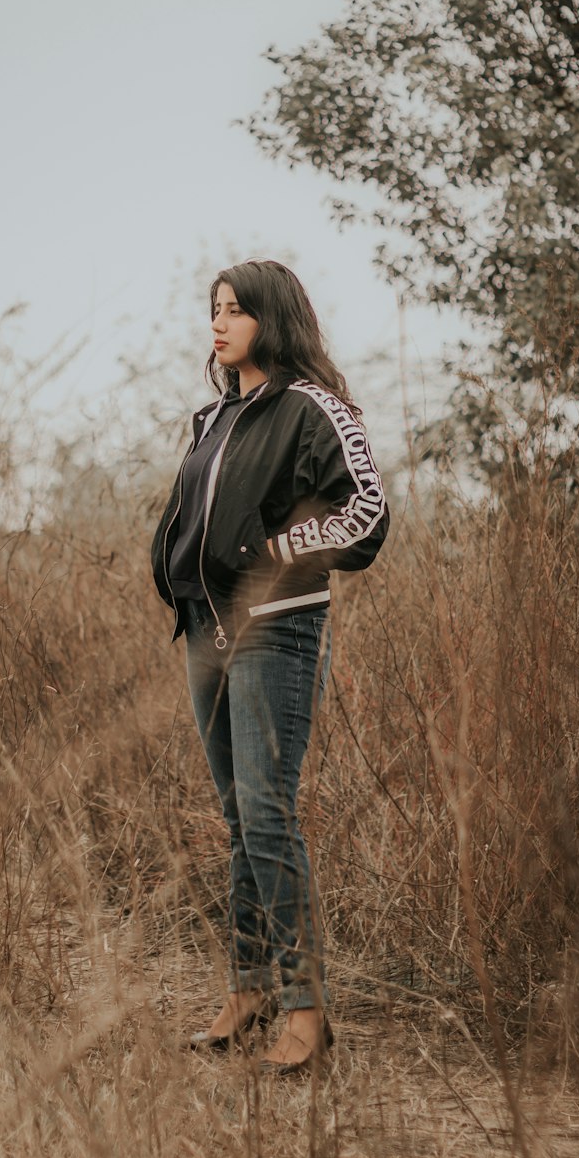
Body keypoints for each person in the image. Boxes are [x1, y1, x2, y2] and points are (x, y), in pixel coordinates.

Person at [150, 259, 389, 1074]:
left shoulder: (311, 407)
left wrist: (272, 552)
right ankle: (249, 991)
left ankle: (306, 1009)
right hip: (206, 636)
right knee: (239, 821)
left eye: (235, 311)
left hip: (277, 632)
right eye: (213, 310)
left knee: (269, 815)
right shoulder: (214, 417)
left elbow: (365, 510)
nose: (217, 325)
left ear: (273, 319)